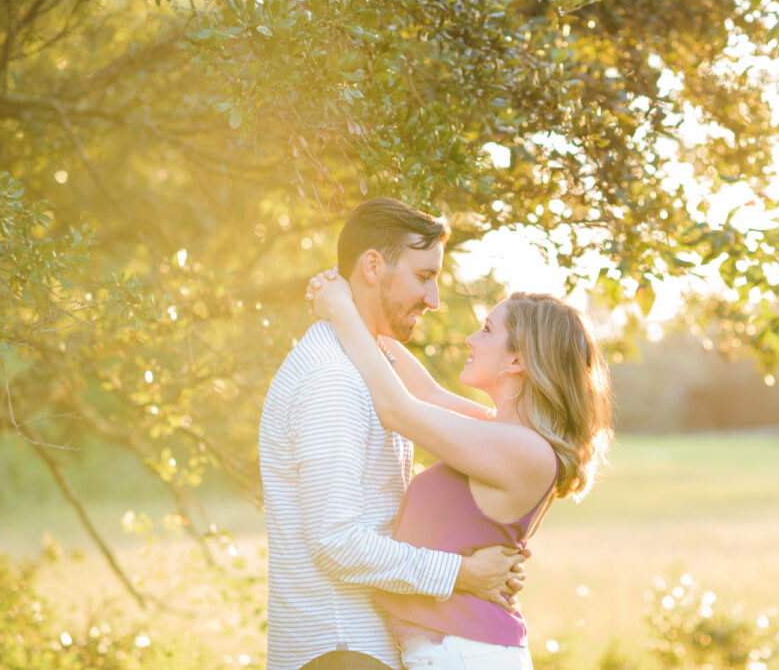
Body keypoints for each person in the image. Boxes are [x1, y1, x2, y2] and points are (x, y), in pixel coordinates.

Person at [259, 198, 528, 670]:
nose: (434, 299)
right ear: (372, 266)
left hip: (360, 645)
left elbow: (441, 406)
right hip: (341, 646)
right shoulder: (332, 379)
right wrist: (463, 574)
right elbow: (336, 542)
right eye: (424, 276)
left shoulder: (369, 364)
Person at [304, 260, 613, 669]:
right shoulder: (498, 434)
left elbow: (399, 410)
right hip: (449, 652)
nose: (470, 338)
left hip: (467, 655)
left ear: (517, 360)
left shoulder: (525, 452)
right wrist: (362, 309)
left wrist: (342, 311)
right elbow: (425, 393)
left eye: (487, 330)